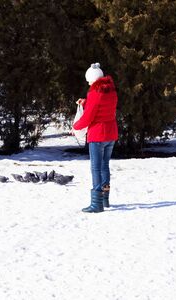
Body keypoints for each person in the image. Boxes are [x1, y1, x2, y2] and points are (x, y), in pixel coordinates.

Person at [73, 63, 118, 213]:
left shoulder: (94, 93)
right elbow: (102, 107)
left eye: (89, 80)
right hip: (110, 134)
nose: (88, 83)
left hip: (98, 135)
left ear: (93, 79)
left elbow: (88, 118)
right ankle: (105, 199)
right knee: (105, 166)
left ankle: (96, 204)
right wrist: (86, 102)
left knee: (96, 168)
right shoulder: (111, 91)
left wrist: (75, 127)